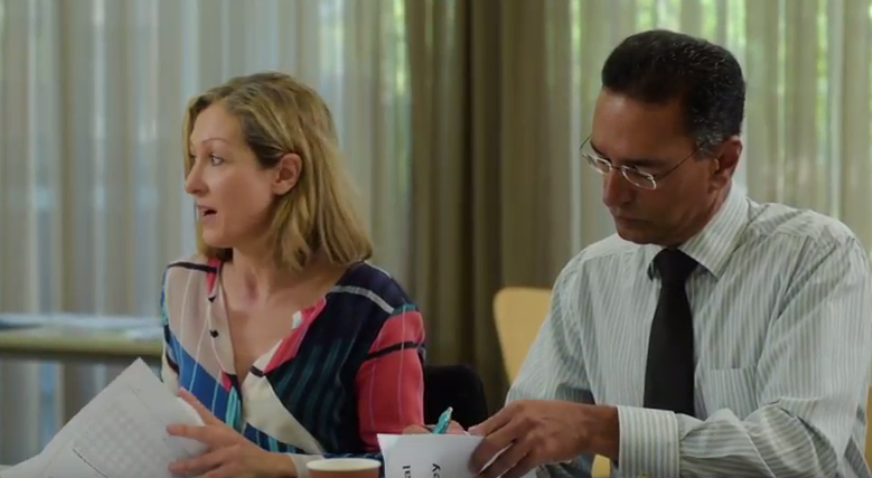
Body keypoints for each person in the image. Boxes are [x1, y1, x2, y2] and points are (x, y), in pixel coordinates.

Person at [410, 29, 872, 478]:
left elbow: (801, 451)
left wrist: (604, 428)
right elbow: (546, 461)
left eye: (641, 172)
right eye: (602, 160)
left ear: (722, 163)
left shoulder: (816, 258)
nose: (611, 194)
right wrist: (465, 459)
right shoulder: (591, 277)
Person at [159, 72, 425, 478]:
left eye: (215, 159)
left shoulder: (374, 309)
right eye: (193, 158)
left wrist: (276, 466)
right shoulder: (182, 286)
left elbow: (408, 469)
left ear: (284, 174)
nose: (191, 183)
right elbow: (168, 443)